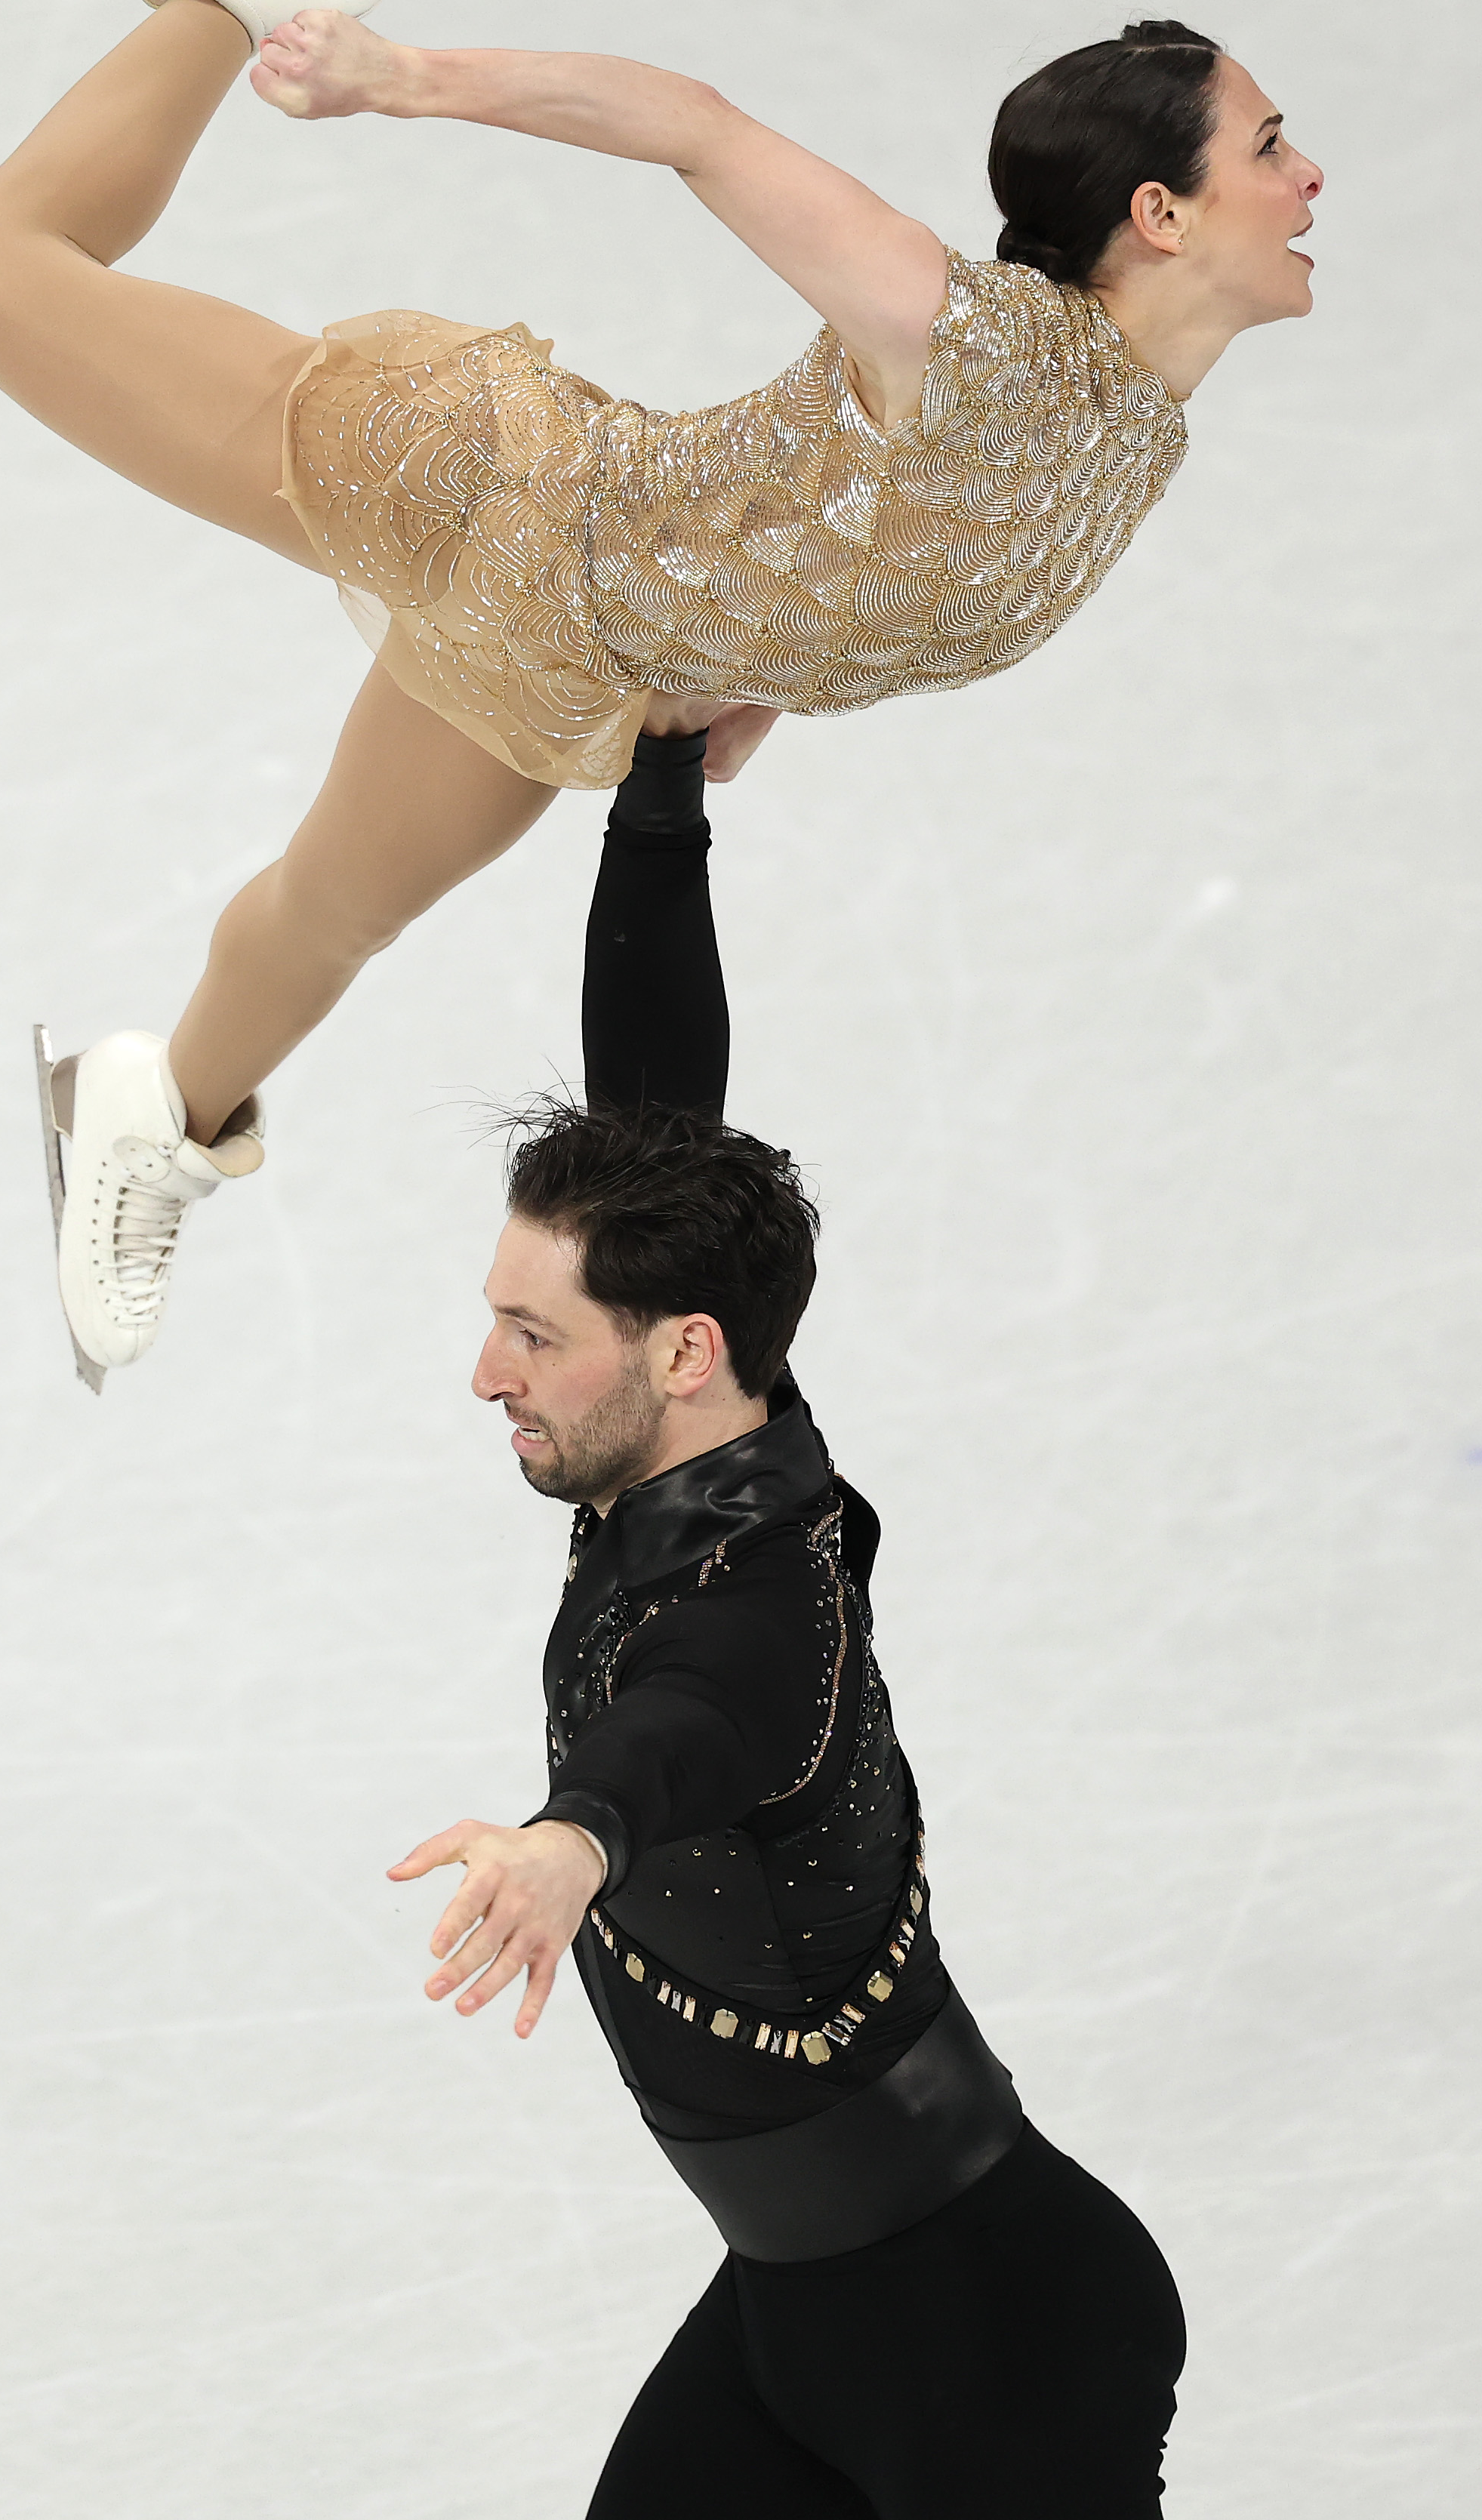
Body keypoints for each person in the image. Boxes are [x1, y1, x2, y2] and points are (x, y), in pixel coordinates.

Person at [0, 0, 1323, 1385]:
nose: (1306, 177)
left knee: (330, 912)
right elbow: (697, 127)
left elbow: (886, 546)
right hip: (480, 491)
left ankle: (143, 1118)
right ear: (1157, 215)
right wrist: (400, 79)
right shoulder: (966, 338)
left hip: (573, 665)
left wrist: (760, 662)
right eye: (1266, 148)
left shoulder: (1126, 428)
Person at [388, 732, 1185, 2515]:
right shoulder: (719, 1387)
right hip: (799, 2323)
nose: (482, 1374)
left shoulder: (760, 1611)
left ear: (676, 1356)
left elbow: (683, 1725)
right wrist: (660, 786)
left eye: (533, 1335)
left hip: (997, 2354)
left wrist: (570, 1841)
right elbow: (659, 1097)